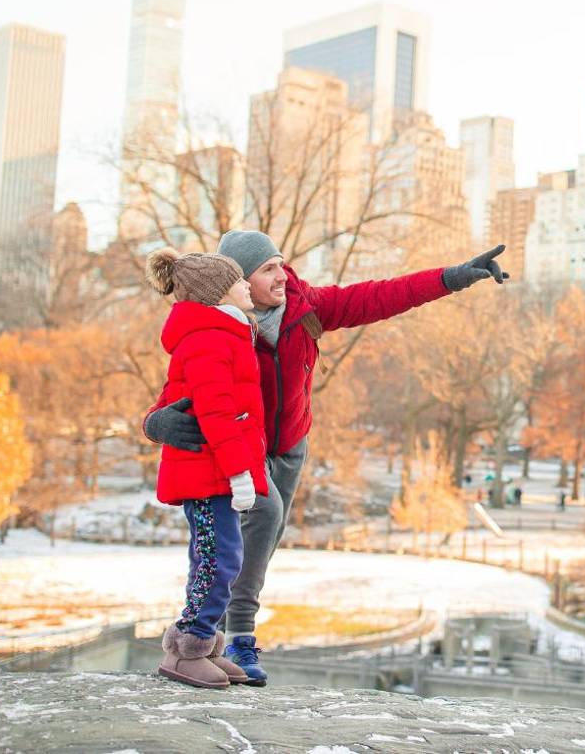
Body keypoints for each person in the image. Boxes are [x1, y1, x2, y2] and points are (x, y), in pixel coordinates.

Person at [143, 231, 508, 685]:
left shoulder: (304, 307)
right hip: (239, 449)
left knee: (261, 540)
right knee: (238, 532)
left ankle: (225, 639)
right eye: (268, 270)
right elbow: (181, 382)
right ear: (238, 280)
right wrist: (155, 422)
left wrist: (451, 278)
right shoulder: (218, 323)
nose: (282, 276)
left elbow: (378, 297)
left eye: (281, 263)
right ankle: (222, 636)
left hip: (289, 446)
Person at [145, 248, 268, 689]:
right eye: (238, 282)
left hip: (213, 470)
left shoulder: (228, 333)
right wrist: (239, 474)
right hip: (206, 471)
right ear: (217, 294)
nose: (247, 287)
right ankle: (189, 648)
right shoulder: (210, 338)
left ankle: (204, 646)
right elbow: (217, 413)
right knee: (220, 559)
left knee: (216, 558)